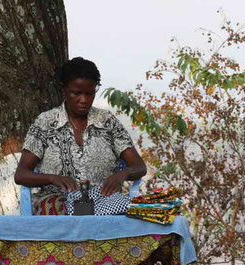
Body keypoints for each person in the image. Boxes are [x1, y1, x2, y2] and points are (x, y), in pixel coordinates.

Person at [14, 57, 147, 215]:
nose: (83, 100)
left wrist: (122, 175)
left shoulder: (107, 122)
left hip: (103, 200)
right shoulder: (46, 122)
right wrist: (52, 178)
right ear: (63, 89)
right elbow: (21, 174)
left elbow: (139, 166)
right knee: (62, 209)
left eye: (89, 93)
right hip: (58, 201)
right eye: (76, 93)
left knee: (141, 213)